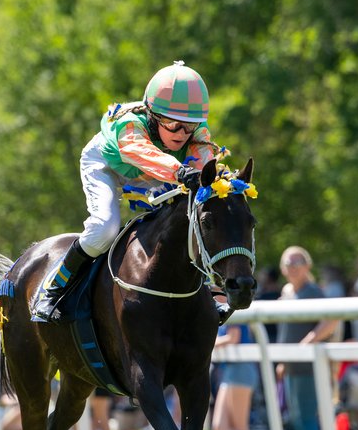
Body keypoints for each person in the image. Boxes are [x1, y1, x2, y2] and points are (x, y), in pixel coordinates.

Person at [32, 61, 223, 323]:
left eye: (189, 125)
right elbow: (142, 153)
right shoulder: (131, 124)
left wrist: (210, 179)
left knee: (189, 219)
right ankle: (52, 291)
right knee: (104, 229)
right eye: (171, 123)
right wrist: (180, 172)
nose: (182, 133)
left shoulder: (198, 134)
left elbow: (204, 161)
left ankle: (209, 292)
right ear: (153, 116)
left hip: (158, 173)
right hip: (108, 165)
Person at [275, 246, 341, 430]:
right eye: (288, 263)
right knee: (296, 417)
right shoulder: (287, 292)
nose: (292, 267)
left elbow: (331, 320)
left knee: (306, 417)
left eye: (297, 262)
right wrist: (284, 360)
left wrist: (308, 342)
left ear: (307, 266)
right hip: (291, 365)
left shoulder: (312, 291)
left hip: (308, 366)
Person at [212, 323, 269, 430]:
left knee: (240, 426)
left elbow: (233, 338)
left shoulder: (234, 308)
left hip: (240, 370)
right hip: (230, 370)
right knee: (219, 426)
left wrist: (206, 342)